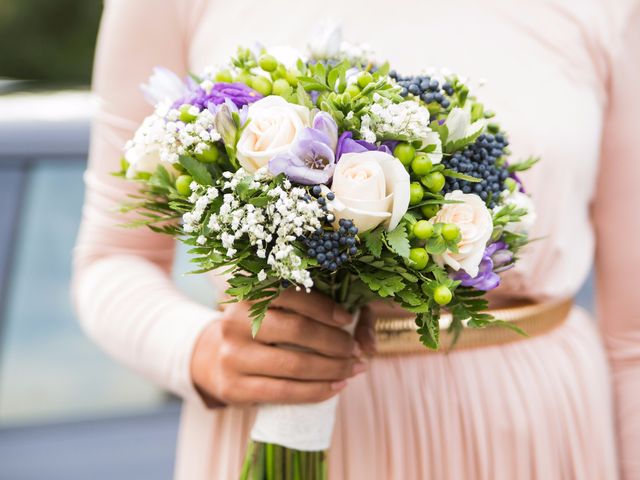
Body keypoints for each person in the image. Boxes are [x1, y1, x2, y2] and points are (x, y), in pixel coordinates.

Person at [71, 0, 640, 478]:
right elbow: (111, 259)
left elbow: (633, 343)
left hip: (531, 427)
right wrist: (200, 350)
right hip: (280, 412)